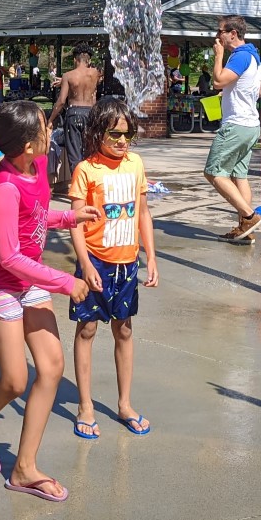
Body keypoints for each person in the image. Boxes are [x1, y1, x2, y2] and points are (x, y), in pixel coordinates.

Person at [0, 100, 101, 500]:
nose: (51, 131)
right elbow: (9, 256)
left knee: (52, 366)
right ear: (27, 145)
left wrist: (67, 218)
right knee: (14, 380)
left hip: (30, 279)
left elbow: (38, 213)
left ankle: (24, 468)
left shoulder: (38, 166)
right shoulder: (5, 187)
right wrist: (63, 281)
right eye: (45, 127)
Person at [67, 97, 158, 440]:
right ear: (96, 133)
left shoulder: (135, 164)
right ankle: (85, 405)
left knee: (124, 330)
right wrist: (85, 263)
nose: (122, 142)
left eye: (128, 134)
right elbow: (75, 222)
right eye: (114, 134)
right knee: (87, 330)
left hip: (127, 264)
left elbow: (144, 213)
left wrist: (151, 256)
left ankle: (124, 403)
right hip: (96, 262)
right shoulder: (86, 170)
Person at [208, 15, 261, 241]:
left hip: (236, 125)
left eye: (220, 31)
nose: (217, 35)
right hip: (250, 125)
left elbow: (218, 81)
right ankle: (245, 229)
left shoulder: (240, 56)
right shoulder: (253, 55)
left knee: (213, 172)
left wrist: (219, 56)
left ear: (233, 33)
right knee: (239, 176)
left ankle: (250, 216)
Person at [48, 47, 99, 186]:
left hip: (73, 114)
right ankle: (90, 187)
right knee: (90, 153)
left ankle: (78, 188)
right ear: (88, 60)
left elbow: (61, 101)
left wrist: (51, 120)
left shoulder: (68, 75)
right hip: (90, 114)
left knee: (74, 154)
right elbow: (90, 91)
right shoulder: (95, 74)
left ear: (74, 59)